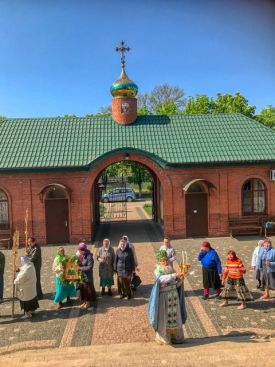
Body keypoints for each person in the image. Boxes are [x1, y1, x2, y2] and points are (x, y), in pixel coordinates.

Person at [148, 250, 187, 345]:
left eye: (166, 260)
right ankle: (164, 338)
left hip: (174, 296)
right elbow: (161, 279)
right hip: (164, 298)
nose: (165, 262)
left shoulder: (171, 268)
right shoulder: (158, 270)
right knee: (165, 318)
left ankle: (176, 337)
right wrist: (175, 275)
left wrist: (180, 280)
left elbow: (176, 283)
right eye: (163, 260)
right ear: (159, 261)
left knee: (175, 317)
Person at [78, 242, 96, 309]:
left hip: (87, 276)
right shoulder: (81, 255)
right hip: (82, 276)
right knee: (83, 289)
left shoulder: (89, 256)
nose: (79, 251)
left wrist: (80, 268)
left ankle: (88, 303)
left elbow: (90, 267)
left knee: (87, 290)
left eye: (80, 250)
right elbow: (79, 263)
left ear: (83, 250)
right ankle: (85, 302)